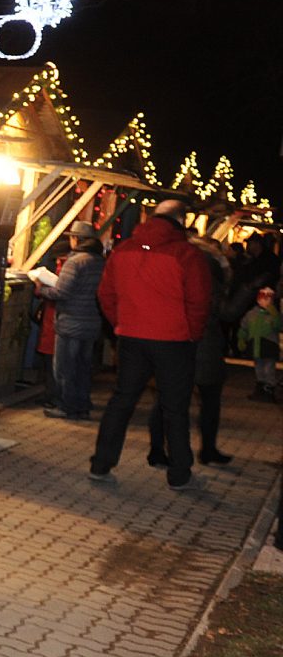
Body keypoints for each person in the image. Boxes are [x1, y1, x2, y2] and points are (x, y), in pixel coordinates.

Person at [89, 199, 213, 490]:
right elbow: (199, 302)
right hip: (173, 340)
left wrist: (121, 323)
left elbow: (105, 294)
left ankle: (101, 463)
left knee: (122, 401)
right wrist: (191, 334)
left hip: (132, 337)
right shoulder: (187, 255)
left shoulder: (123, 251)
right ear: (181, 220)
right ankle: (179, 473)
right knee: (174, 407)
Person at [150, 238, 234, 466]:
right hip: (203, 345)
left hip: (174, 341)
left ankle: (158, 451)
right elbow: (225, 312)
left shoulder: (174, 273)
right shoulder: (209, 278)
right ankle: (205, 450)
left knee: (166, 401)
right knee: (209, 401)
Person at [33, 220, 106, 420]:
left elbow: (61, 291)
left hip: (71, 323)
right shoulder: (100, 261)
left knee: (65, 368)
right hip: (91, 323)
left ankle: (66, 406)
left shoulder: (74, 262)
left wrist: (41, 288)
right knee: (83, 367)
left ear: (76, 239)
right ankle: (82, 405)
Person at [237, 285, 281, 402]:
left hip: (269, 346)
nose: (265, 301)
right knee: (259, 369)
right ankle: (261, 390)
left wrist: (275, 314)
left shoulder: (274, 314)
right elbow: (244, 327)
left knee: (268, 369)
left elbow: (279, 326)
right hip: (256, 346)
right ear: (258, 300)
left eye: (268, 299)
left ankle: (269, 390)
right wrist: (241, 338)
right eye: (263, 299)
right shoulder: (251, 314)